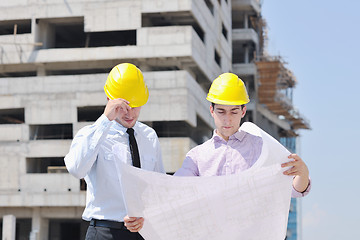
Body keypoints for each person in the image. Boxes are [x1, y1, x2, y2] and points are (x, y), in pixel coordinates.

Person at [64, 63, 165, 240]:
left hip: (144, 232)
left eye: (135, 106)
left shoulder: (149, 136)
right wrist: (105, 120)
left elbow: (157, 185)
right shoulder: (91, 134)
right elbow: (76, 169)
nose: (129, 113)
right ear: (109, 99)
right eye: (123, 106)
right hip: (104, 231)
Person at [174, 72, 311, 197]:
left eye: (233, 111)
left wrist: (303, 173)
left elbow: (293, 189)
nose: (227, 119)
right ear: (212, 110)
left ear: (243, 111)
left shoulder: (261, 148)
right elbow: (173, 189)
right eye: (221, 111)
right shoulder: (197, 157)